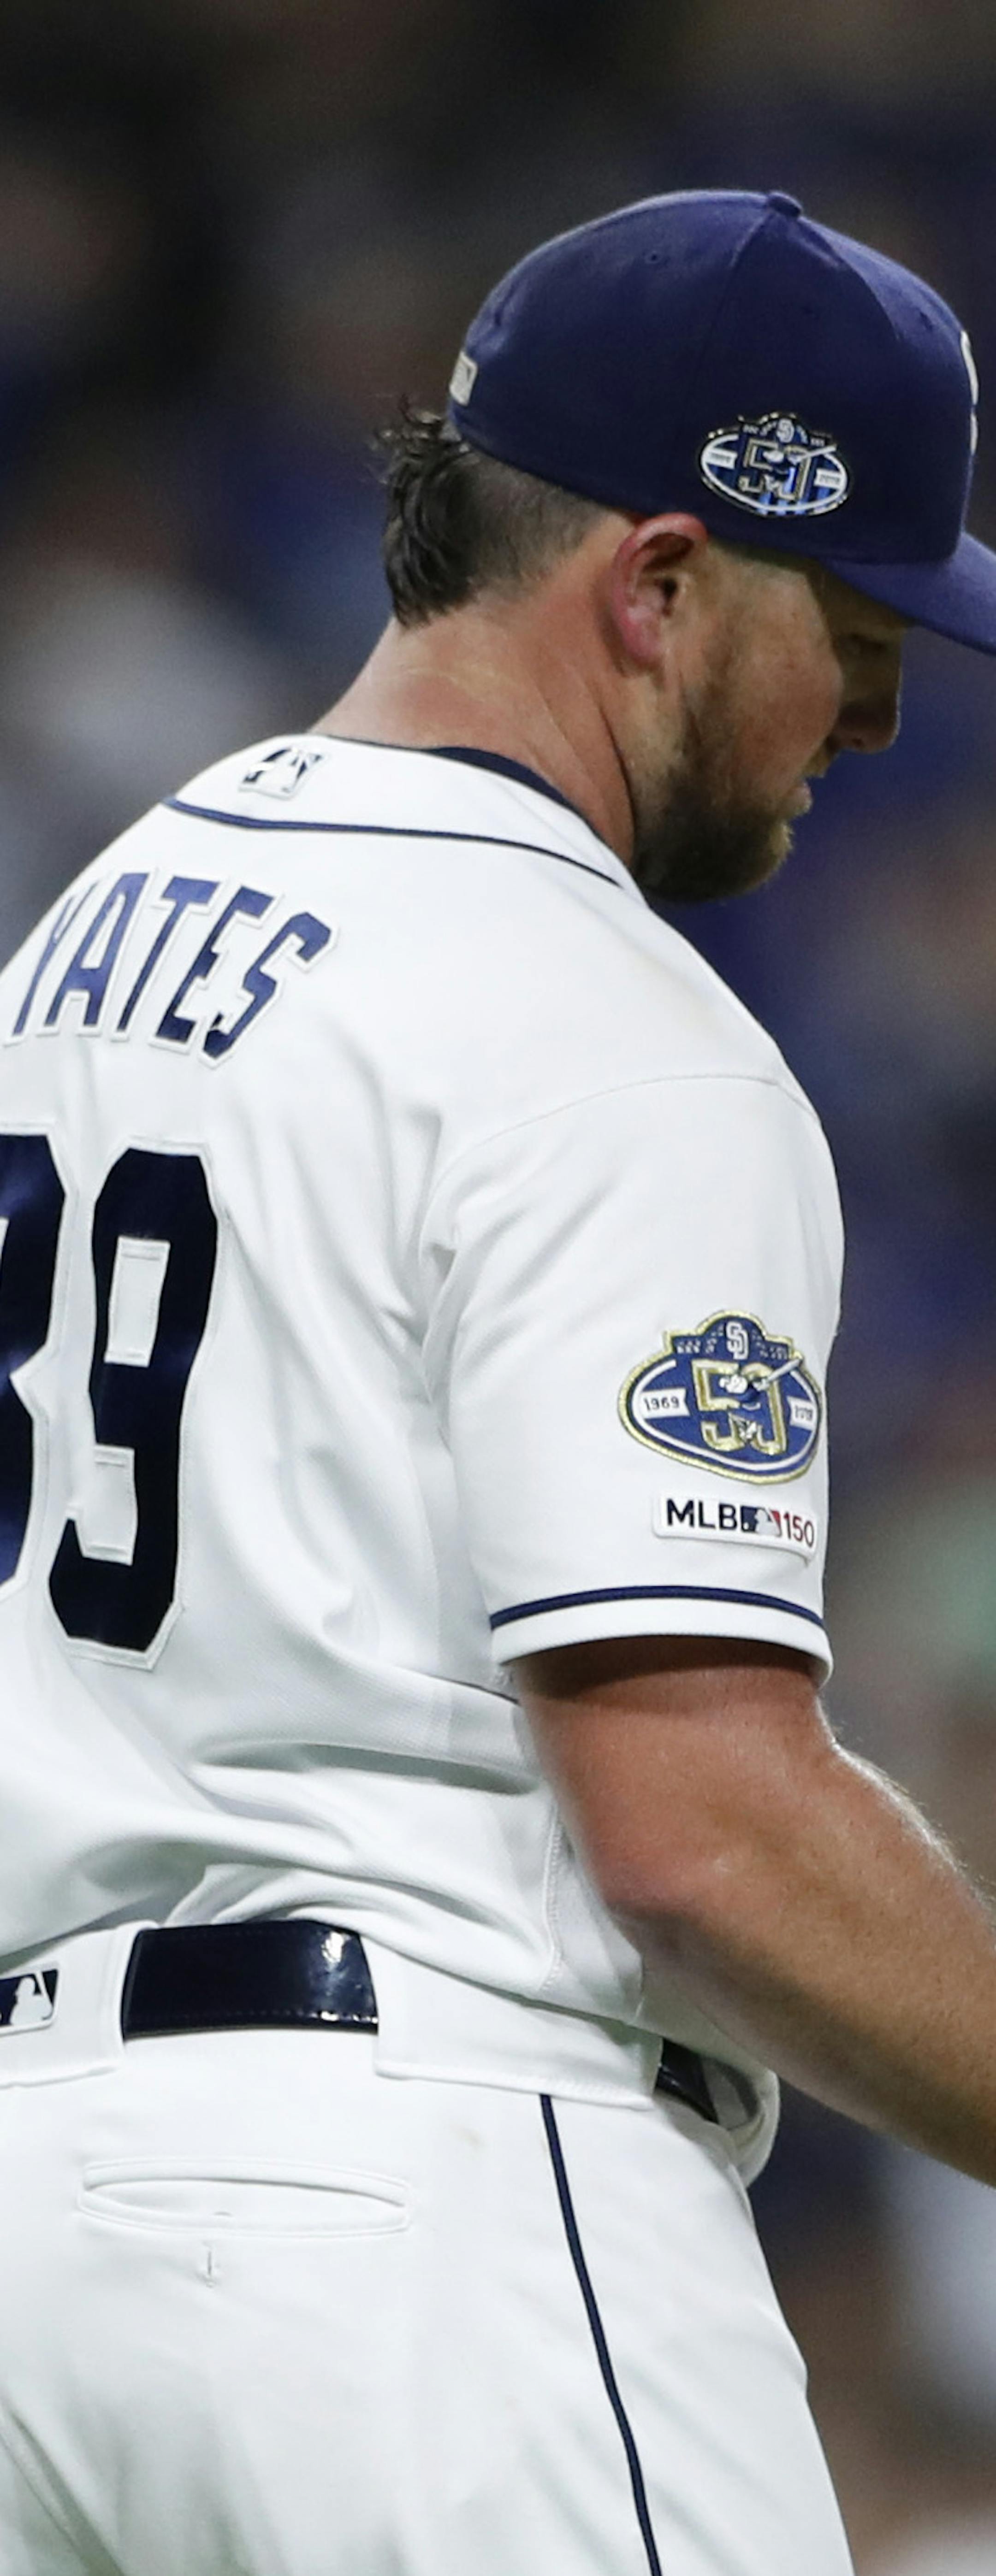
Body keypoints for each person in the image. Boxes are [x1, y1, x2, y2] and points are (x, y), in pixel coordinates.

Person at [0, 186, 995, 2576]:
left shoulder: (96, 928)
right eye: (857, 631)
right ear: (659, 584)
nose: (879, 715)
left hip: (44, 2227)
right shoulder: (615, 1030)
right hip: (434, 2231)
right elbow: (699, 1830)